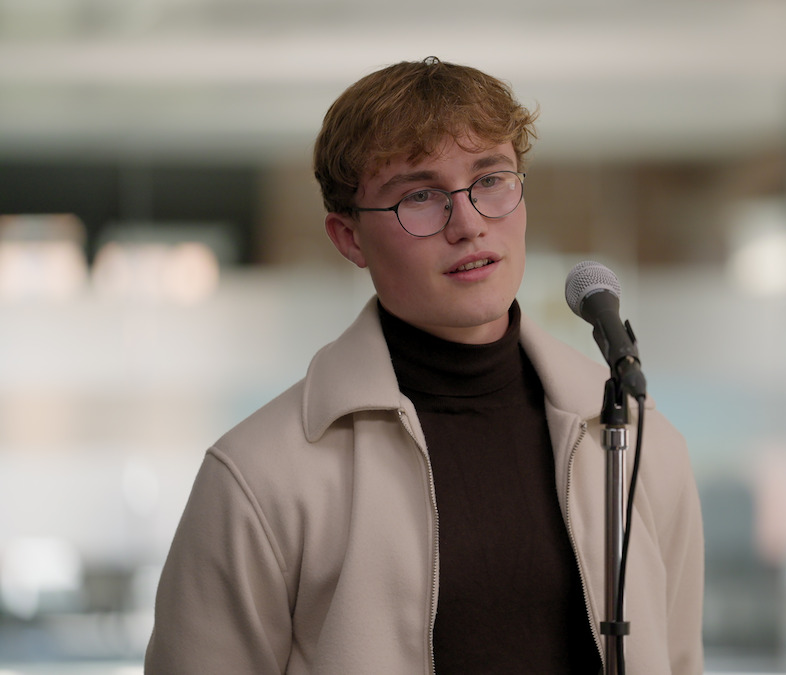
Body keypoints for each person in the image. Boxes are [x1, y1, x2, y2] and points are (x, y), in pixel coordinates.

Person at [144, 57, 704, 674]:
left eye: (491, 179)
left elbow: (677, 658)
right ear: (349, 238)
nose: (467, 223)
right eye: (419, 196)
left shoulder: (627, 433)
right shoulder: (260, 474)